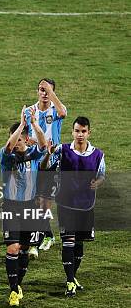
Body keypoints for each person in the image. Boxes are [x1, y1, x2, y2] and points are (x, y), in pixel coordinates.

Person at [41, 116, 105, 297]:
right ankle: (69, 281)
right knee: (68, 241)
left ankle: (73, 276)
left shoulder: (98, 154)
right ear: (72, 132)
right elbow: (45, 167)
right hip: (66, 203)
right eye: (77, 131)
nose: (80, 134)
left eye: (83, 131)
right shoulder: (62, 150)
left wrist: (98, 183)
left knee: (79, 243)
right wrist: (47, 153)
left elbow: (102, 174)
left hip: (86, 204)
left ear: (89, 133)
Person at [0, 106, 48, 307]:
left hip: (30, 207)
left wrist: (35, 124)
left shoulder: (34, 155)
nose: (16, 142)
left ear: (26, 140)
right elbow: (8, 147)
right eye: (14, 138)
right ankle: (12, 291)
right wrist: (21, 124)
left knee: (25, 249)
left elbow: (44, 146)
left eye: (20, 138)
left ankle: (18, 284)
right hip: (11, 207)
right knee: (12, 248)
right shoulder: (6, 156)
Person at [27, 78, 67, 257]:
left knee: (45, 203)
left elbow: (64, 113)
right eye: (41, 89)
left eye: (47, 90)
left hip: (53, 161)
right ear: (37, 91)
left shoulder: (55, 111)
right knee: (35, 201)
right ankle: (47, 234)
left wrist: (51, 92)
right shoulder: (30, 111)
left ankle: (43, 237)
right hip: (35, 160)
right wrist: (37, 143)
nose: (44, 93)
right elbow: (27, 137)